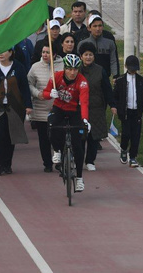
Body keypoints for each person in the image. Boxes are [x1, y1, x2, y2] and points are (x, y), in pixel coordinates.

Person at [0, 49, 33, 177]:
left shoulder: (18, 67)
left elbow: (24, 87)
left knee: (10, 136)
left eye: (4, 51)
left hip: (14, 107)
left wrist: (28, 105)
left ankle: (7, 164)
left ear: (11, 53)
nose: (1, 54)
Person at [42, 54, 90, 192]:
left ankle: (80, 178)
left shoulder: (82, 82)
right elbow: (44, 93)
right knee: (51, 125)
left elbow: (85, 102)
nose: (72, 72)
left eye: (75, 69)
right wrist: (50, 94)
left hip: (75, 110)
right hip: (59, 108)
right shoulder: (56, 77)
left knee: (78, 145)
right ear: (64, 68)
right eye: (69, 69)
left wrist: (85, 119)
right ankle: (57, 150)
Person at [78, 42, 115, 171]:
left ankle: (90, 161)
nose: (88, 57)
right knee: (80, 136)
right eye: (86, 55)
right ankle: (78, 159)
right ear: (81, 56)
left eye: (91, 55)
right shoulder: (76, 70)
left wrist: (112, 104)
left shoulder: (100, 70)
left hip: (96, 108)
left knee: (94, 137)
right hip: (79, 108)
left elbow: (107, 89)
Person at [27, 44, 64, 172]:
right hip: (41, 108)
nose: (44, 55)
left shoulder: (62, 65)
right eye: (43, 52)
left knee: (58, 136)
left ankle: (59, 160)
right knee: (44, 138)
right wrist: (38, 93)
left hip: (58, 108)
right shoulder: (35, 67)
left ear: (54, 54)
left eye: (48, 52)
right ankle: (47, 163)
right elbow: (29, 84)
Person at [113, 55, 143, 168]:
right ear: (126, 67)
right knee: (126, 133)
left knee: (136, 135)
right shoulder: (120, 81)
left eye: (135, 68)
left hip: (137, 112)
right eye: (131, 68)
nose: (133, 71)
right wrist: (115, 107)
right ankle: (124, 149)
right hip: (125, 112)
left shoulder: (141, 81)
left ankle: (133, 157)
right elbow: (115, 96)